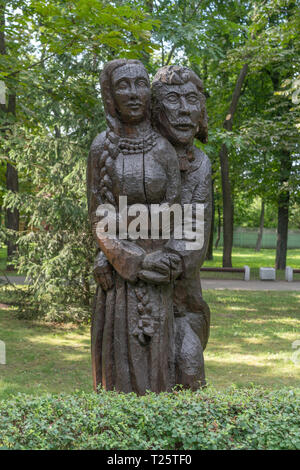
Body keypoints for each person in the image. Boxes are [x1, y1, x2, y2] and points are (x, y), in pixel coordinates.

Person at [87, 59, 182, 394]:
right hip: (117, 281)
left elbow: (178, 213)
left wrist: (168, 259)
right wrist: (120, 257)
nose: (132, 93)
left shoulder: (164, 149)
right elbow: (98, 217)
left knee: (158, 366)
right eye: (123, 85)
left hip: (158, 278)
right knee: (118, 370)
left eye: (140, 84)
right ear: (110, 95)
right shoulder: (101, 147)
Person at [151, 65, 212, 389]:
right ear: (155, 107)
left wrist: (156, 262)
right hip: (136, 297)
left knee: (188, 363)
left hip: (183, 304)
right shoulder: (135, 160)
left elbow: (193, 238)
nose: (185, 110)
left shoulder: (200, 165)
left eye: (192, 99)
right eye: (173, 99)